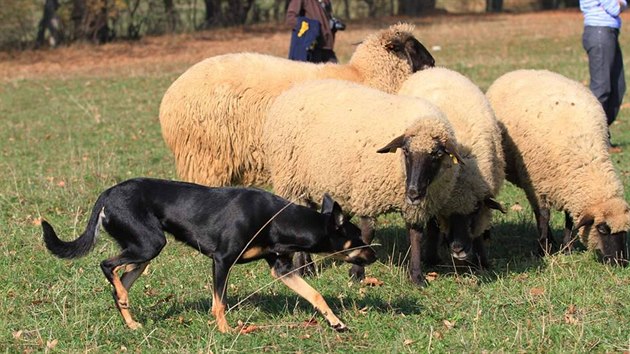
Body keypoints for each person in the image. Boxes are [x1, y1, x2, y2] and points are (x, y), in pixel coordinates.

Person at [580, 0, 627, 150]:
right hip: (599, 31)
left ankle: (602, 134)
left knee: (618, 87)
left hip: (608, 32)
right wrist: (620, 4)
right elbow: (614, 7)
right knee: (602, 89)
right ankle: (593, 138)